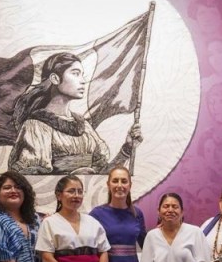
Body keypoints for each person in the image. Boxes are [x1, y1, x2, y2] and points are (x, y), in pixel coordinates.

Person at [8, 52, 140, 175]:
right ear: (55, 78)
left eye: (82, 75)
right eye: (75, 73)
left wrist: (127, 148)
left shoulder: (84, 127)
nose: (82, 81)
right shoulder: (36, 126)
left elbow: (103, 175)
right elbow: (33, 181)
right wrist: (73, 179)